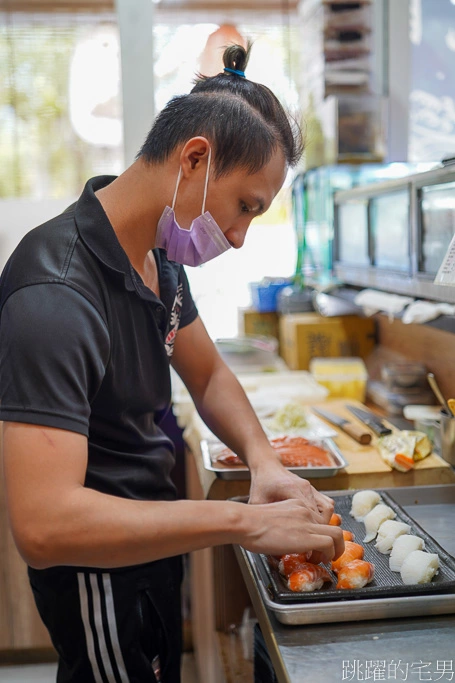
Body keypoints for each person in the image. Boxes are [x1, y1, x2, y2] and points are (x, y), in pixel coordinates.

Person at [0, 44, 343, 683]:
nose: (240, 236)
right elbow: (44, 524)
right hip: (98, 572)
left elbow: (208, 374)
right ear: (194, 160)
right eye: (246, 206)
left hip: (155, 537)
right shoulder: (56, 292)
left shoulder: (158, 258)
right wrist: (243, 521)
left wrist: (264, 463)